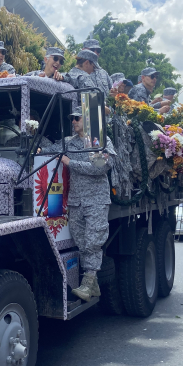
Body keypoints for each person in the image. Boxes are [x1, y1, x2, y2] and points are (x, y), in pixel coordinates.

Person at [58, 106, 115, 301]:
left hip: (96, 200)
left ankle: (88, 282)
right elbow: (49, 149)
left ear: (87, 120)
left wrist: (70, 163)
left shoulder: (99, 141)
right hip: (76, 200)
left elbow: (100, 168)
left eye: (77, 118)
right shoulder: (69, 143)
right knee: (80, 241)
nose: (73, 121)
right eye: (71, 118)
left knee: (93, 242)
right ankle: (94, 285)